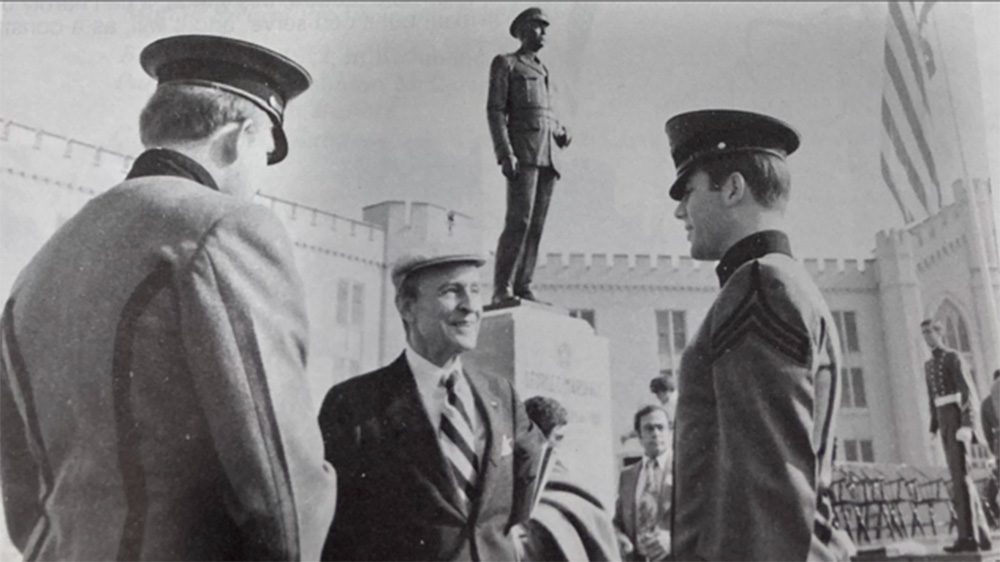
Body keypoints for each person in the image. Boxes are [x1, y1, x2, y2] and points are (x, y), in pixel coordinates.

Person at [0, 35, 336, 560]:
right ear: (238, 135)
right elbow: (282, 486)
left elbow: (21, 489)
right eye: (265, 153)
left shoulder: (40, 266)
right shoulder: (225, 227)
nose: (259, 181)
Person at [666, 109, 852, 561]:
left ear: (732, 188)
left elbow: (765, 497)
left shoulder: (757, 286)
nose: (678, 211)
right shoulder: (784, 282)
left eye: (687, 192)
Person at [318, 249, 547, 560]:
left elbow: (536, 481)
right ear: (407, 307)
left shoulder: (501, 395)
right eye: (451, 291)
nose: (470, 306)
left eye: (476, 290)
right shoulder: (354, 404)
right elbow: (335, 535)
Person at [487, 7, 572, 306]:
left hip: (549, 153)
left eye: (546, 28)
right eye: (538, 27)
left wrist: (562, 131)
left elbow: (548, 111)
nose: (544, 33)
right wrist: (504, 152)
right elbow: (496, 111)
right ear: (523, 30)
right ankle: (502, 288)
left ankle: (524, 285)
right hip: (522, 151)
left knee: (537, 224)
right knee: (519, 221)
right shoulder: (507, 63)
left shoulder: (546, 71)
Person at [921, 319, 992, 552]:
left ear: (941, 332)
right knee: (959, 479)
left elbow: (966, 390)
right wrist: (933, 427)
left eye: (931, 332)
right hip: (943, 420)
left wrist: (966, 424)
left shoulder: (953, 357)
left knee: (960, 479)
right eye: (924, 333)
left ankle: (967, 537)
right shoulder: (928, 366)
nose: (927, 337)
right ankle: (980, 535)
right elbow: (932, 398)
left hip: (955, 418)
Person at [614, 405, 672, 562]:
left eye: (661, 427)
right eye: (649, 428)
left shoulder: (685, 469)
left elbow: (705, 518)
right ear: (639, 436)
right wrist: (619, 537)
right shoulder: (627, 475)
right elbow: (618, 521)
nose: (656, 434)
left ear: (669, 431)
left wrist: (672, 539)